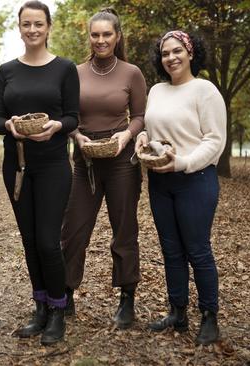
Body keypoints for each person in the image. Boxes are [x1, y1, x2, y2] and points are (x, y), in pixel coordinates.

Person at [0, 0, 80, 346]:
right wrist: (11, 126)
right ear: (19, 28)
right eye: (26, 24)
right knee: (29, 241)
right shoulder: (6, 70)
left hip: (53, 165)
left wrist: (57, 125)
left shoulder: (64, 68)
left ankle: (59, 310)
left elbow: (73, 117)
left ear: (48, 27)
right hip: (17, 166)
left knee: (47, 240)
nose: (32, 30)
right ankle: (40, 306)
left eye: (38, 24)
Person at [136, 30, 226, 345]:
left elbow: (215, 141)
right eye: (165, 53)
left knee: (197, 250)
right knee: (171, 250)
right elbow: (150, 127)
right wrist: (142, 138)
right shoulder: (157, 90)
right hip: (160, 180)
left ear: (190, 53)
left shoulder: (205, 90)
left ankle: (209, 317)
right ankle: (178, 312)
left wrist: (183, 163)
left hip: (195, 180)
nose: (171, 58)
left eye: (178, 51)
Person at [60, 8, 147, 329]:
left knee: (124, 228)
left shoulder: (132, 73)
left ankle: (127, 298)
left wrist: (126, 135)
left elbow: (139, 115)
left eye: (106, 34)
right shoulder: (74, 72)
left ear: (117, 37)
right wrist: (77, 136)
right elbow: (67, 114)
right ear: (90, 37)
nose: (100, 40)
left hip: (122, 159)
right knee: (74, 228)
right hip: (84, 159)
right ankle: (65, 293)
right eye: (95, 35)